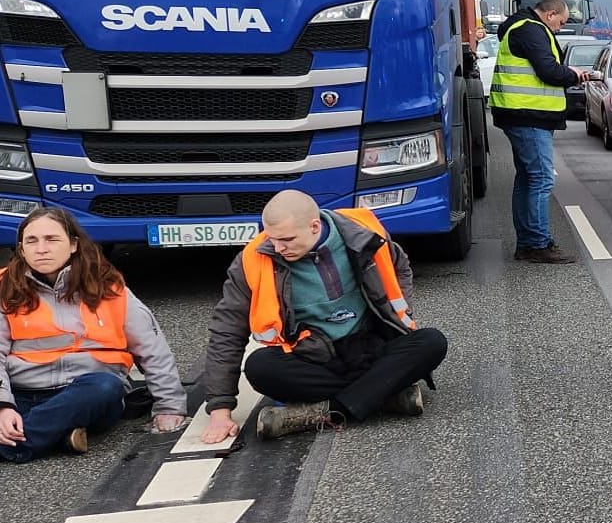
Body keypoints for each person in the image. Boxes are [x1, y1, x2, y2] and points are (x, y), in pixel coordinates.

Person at [199, 191, 449, 444]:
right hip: (313, 359)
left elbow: (400, 266)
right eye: (271, 239)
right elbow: (227, 330)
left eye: (286, 239)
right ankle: (382, 396)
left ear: (314, 226)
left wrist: (393, 311)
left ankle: (327, 411)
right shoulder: (252, 260)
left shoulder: (363, 232)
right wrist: (220, 410)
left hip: (370, 347)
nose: (277, 248)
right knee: (260, 367)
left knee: (431, 342)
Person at [0, 207, 187, 463]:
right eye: (31, 241)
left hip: (88, 393)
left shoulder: (108, 286)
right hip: (24, 392)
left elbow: (152, 349)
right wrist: (4, 406)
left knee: (104, 386)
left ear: (74, 245)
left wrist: (168, 407)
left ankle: (16, 445)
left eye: (51, 239)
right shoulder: (4, 287)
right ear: (21, 250)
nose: (41, 248)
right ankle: (60, 435)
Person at [491, 0, 580, 264]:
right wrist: (574, 74)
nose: (560, 28)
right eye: (561, 22)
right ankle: (537, 244)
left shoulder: (520, 27)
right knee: (541, 178)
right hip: (528, 114)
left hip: (519, 112)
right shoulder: (532, 30)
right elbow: (549, 71)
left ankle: (528, 242)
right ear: (550, 14)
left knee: (527, 178)